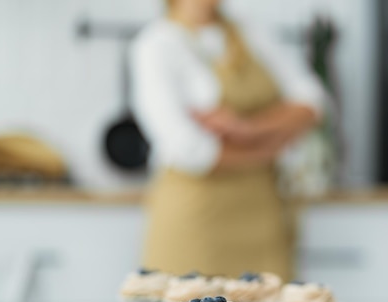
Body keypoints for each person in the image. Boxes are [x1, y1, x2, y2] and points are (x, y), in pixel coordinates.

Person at [129, 0, 326, 280]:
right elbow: (191, 151)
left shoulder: (251, 32)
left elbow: (312, 103)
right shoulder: (155, 45)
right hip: (195, 221)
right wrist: (272, 144)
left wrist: (248, 129)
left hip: (262, 216)